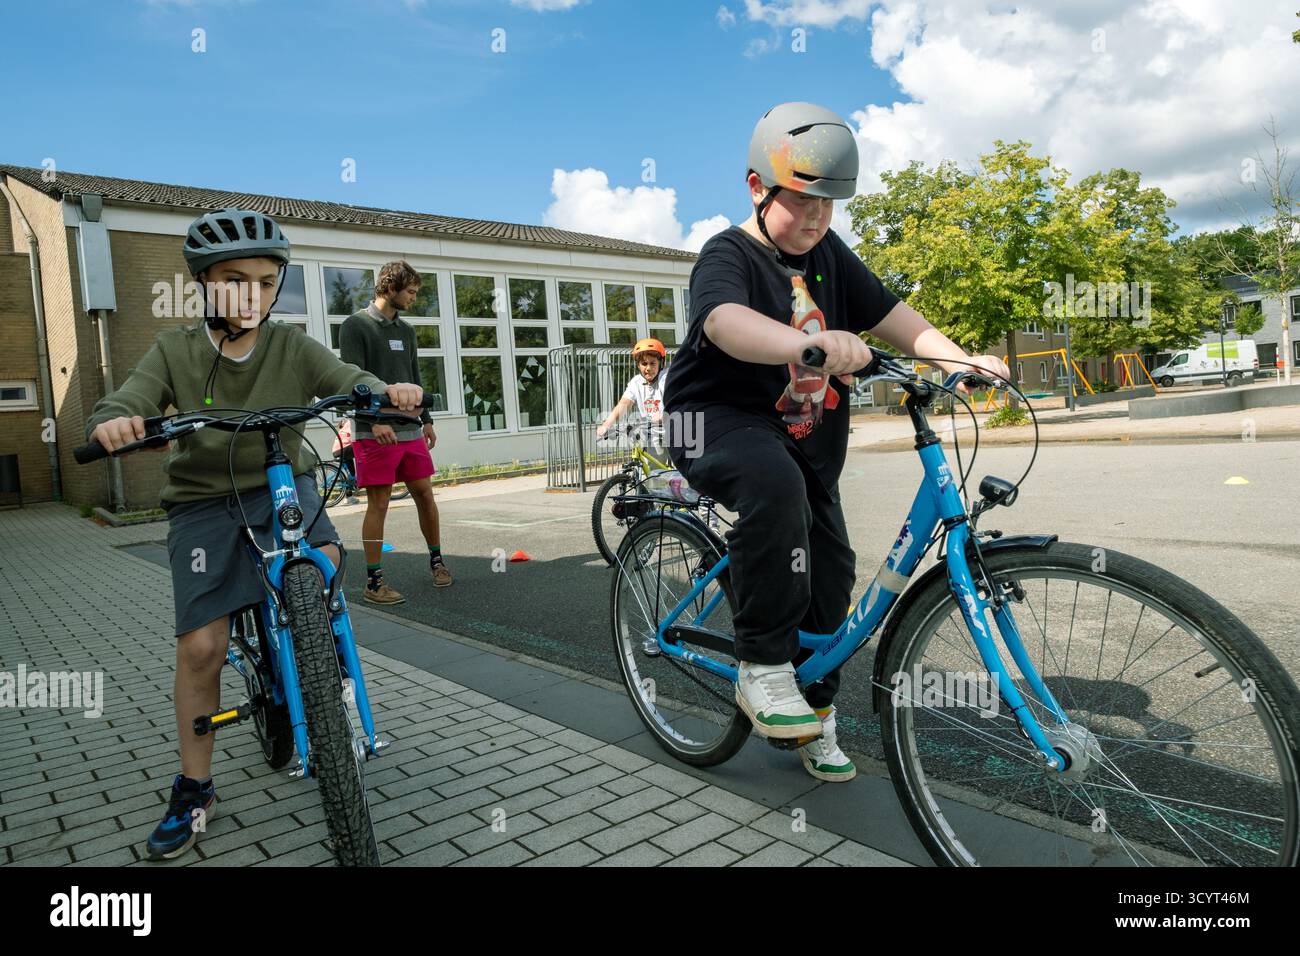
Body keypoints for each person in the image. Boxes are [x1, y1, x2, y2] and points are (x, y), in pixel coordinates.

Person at [663, 102, 1010, 782]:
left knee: (831, 573)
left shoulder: (827, 253)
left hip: (799, 439)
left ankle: (815, 714)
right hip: (713, 419)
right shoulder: (728, 253)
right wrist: (808, 344)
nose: (818, 218)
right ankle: (761, 666)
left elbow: (895, 317)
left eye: (830, 205)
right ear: (757, 186)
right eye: (803, 201)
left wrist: (957, 357)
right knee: (774, 488)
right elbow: (727, 322)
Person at [84, 208, 424, 859]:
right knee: (204, 646)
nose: (253, 295)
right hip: (205, 502)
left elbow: (345, 379)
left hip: (283, 485)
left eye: (268, 282)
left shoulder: (290, 345)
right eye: (235, 279)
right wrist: (118, 422)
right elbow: (132, 396)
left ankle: (320, 676)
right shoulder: (175, 350)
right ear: (204, 284)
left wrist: (385, 391)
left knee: (323, 557)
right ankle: (194, 787)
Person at [339, 260, 452, 601]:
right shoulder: (355, 326)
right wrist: (374, 421)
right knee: (379, 504)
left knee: (425, 495)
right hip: (373, 431)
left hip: (410, 428)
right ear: (390, 288)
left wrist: (427, 419)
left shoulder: (407, 331)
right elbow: (351, 379)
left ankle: (437, 562)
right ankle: (374, 583)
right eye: (411, 291)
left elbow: (415, 376)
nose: (414, 298)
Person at [596, 337, 668, 454]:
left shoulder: (667, 378)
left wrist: (663, 416)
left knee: (685, 470)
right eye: (644, 364)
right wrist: (606, 425)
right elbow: (624, 404)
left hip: (676, 432)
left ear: (661, 363)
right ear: (638, 365)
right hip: (652, 435)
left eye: (652, 363)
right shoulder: (636, 382)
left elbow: (677, 402)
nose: (648, 368)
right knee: (653, 471)